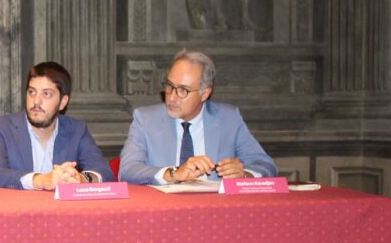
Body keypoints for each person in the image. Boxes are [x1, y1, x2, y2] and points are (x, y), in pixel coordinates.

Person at [118, 49, 276, 185]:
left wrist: (244, 174)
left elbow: (266, 165)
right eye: (169, 86)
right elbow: (127, 170)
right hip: (165, 207)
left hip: (216, 207)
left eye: (183, 90)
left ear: (204, 93)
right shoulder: (146, 120)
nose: (172, 97)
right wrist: (173, 174)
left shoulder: (229, 119)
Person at [0, 61, 113, 189]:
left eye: (46, 94)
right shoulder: (2, 128)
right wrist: (41, 180)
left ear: (63, 102)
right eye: (32, 92)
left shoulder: (77, 130)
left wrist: (80, 179)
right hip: (18, 203)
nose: (36, 101)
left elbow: (104, 171)